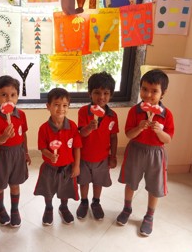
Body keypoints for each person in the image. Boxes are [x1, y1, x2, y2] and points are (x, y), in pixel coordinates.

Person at [116, 69, 174, 236]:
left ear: (163, 93)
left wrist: (159, 132)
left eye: (154, 91)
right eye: (144, 89)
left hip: (156, 154)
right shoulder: (134, 111)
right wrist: (139, 128)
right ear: (140, 88)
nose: (148, 94)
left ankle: (149, 216)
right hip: (135, 150)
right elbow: (128, 134)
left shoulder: (166, 114)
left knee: (155, 187)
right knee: (130, 182)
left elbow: (167, 139)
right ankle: (127, 208)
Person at [0, 75, 31, 228]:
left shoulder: (22, 115)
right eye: (3, 95)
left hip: (18, 154)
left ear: (18, 96)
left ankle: (14, 210)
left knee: (15, 184)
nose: (8, 99)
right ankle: (0, 208)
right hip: (2, 154)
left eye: (13, 95)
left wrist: (25, 152)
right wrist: (4, 136)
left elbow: (23, 134)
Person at [34, 87, 81, 226]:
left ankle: (63, 207)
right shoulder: (44, 128)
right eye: (56, 105)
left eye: (65, 105)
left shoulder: (72, 126)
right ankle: (48, 208)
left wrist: (76, 166)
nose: (61, 109)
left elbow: (77, 147)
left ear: (69, 107)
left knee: (65, 190)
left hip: (67, 168)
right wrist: (50, 155)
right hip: (49, 168)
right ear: (48, 106)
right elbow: (42, 148)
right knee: (48, 191)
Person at [76, 72, 119, 220]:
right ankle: (84, 201)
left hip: (102, 157)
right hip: (84, 156)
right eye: (97, 93)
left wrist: (113, 156)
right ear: (90, 94)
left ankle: (96, 201)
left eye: (106, 93)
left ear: (111, 95)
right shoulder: (83, 111)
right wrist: (89, 127)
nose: (101, 97)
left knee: (98, 181)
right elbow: (81, 134)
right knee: (84, 181)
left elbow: (114, 137)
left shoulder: (112, 115)